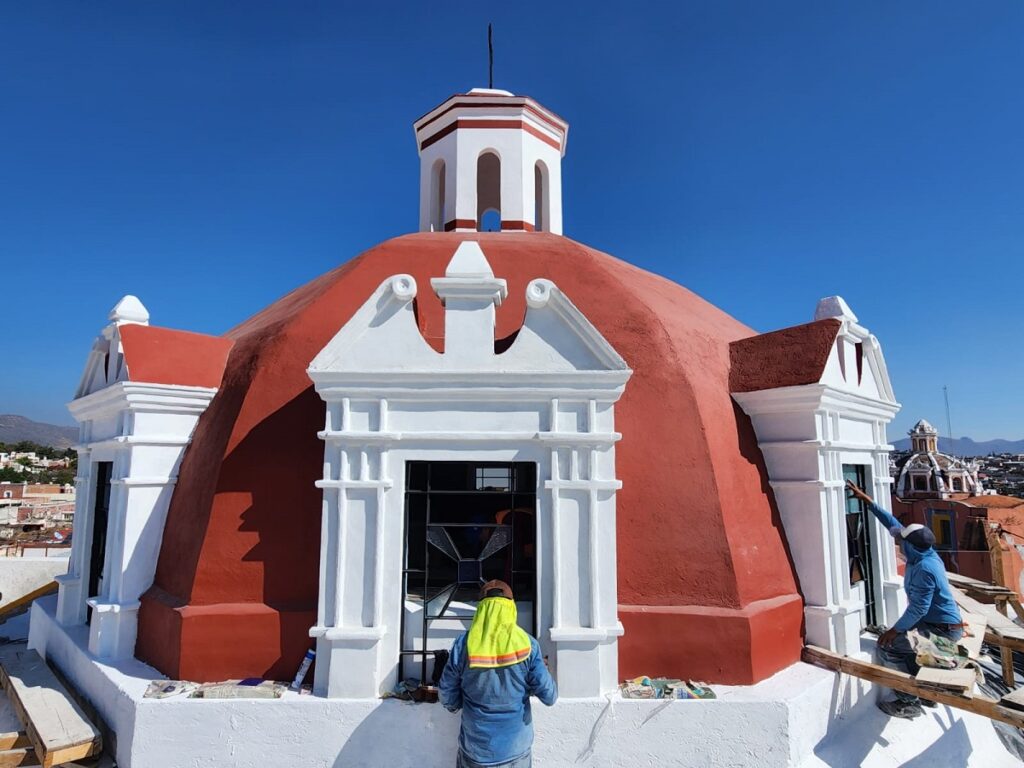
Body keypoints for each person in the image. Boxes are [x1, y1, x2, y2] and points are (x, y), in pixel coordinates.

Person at [846, 480, 964, 720]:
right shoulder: (922, 551)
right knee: (904, 643)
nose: (899, 543)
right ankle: (926, 692)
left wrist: (894, 631)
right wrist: (867, 501)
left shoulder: (925, 568)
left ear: (913, 546)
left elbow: (919, 608)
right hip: (935, 625)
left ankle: (910, 701)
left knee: (890, 647)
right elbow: (893, 525)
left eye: (903, 542)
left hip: (942, 632)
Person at [439, 579, 557, 768]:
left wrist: (458, 704)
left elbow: (446, 695)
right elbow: (549, 696)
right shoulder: (528, 646)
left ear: (481, 610)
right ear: (510, 608)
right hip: (515, 751)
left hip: (475, 749)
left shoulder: (463, 646)